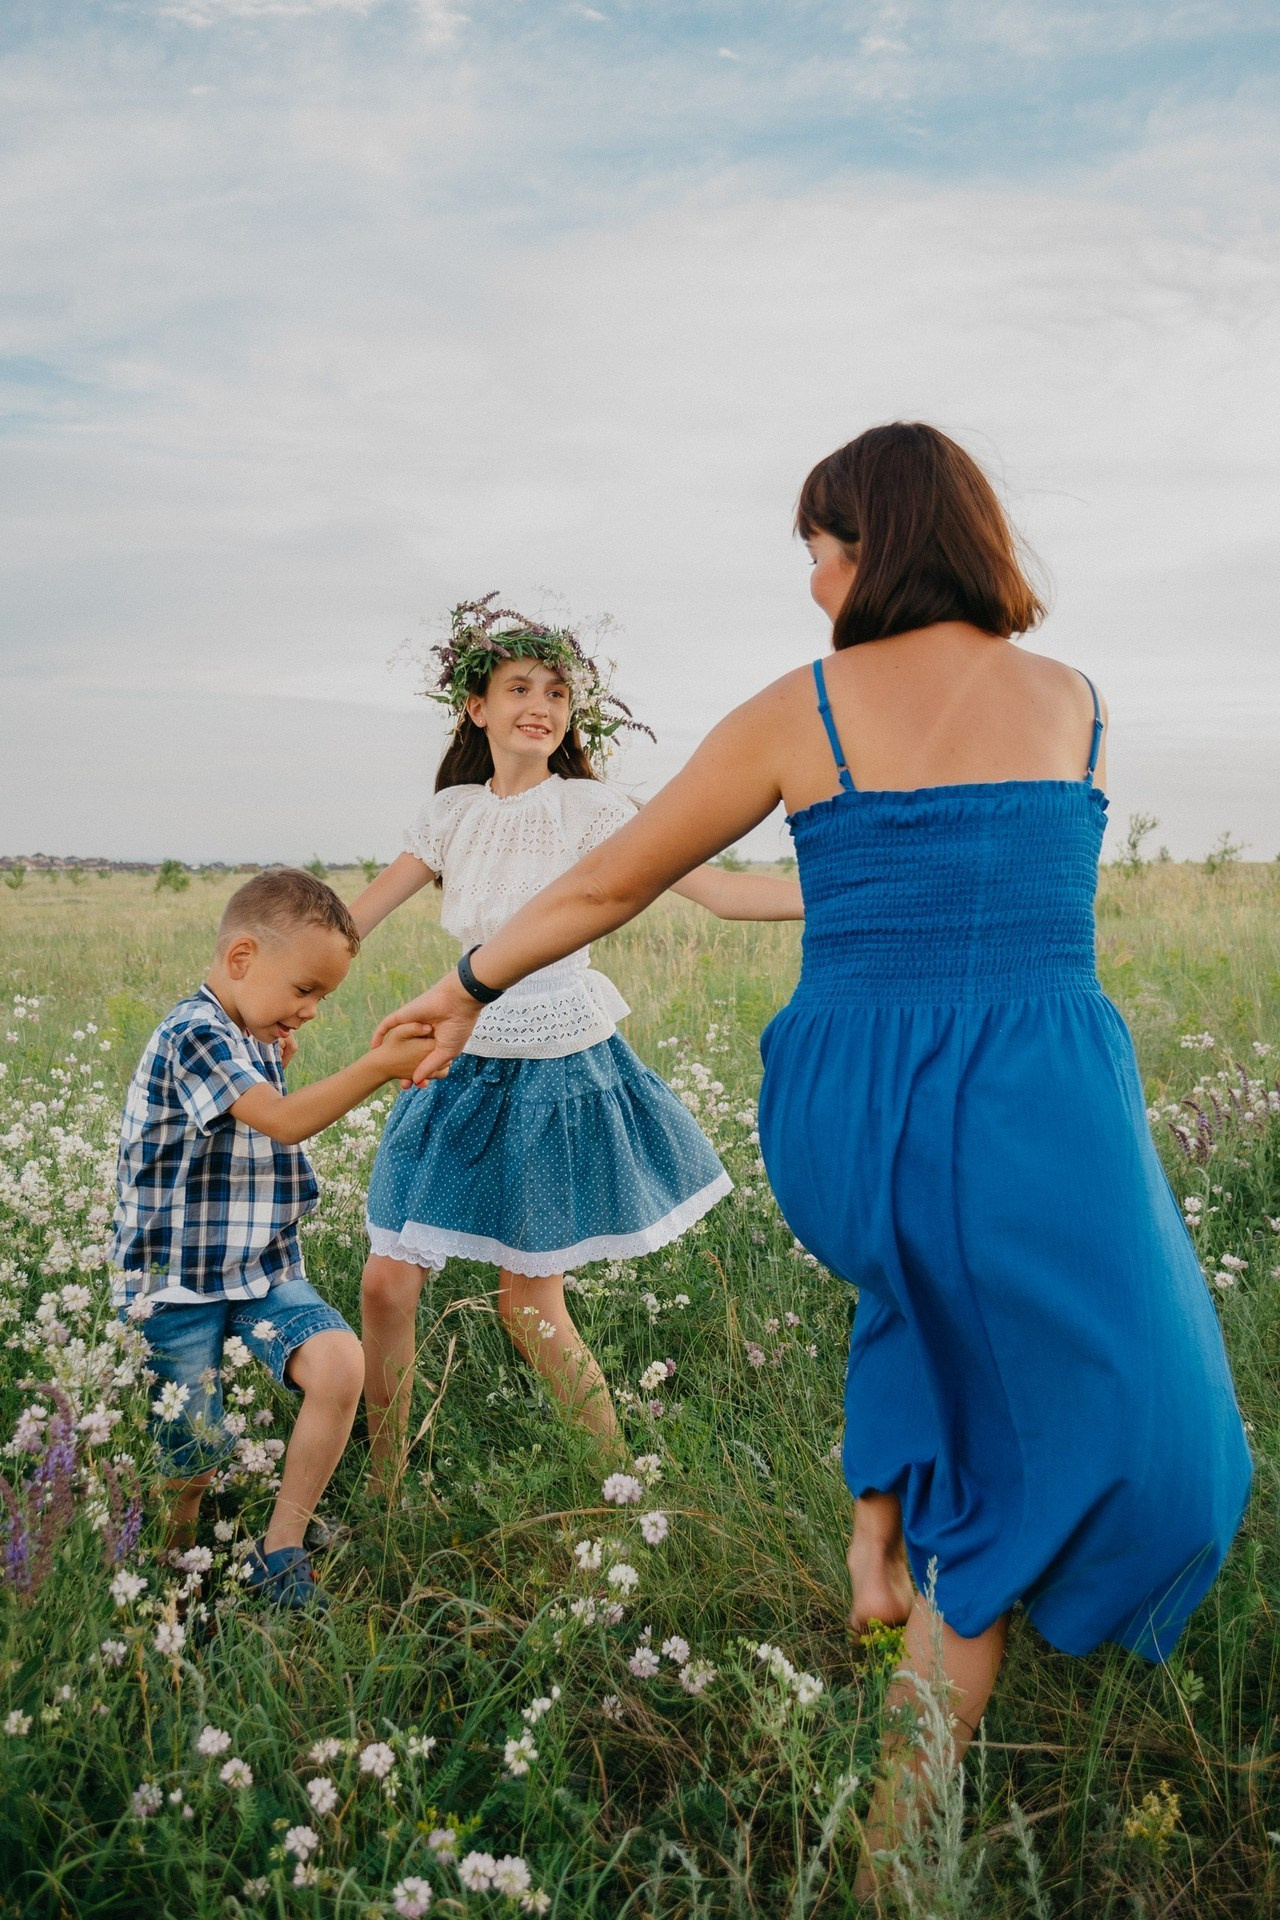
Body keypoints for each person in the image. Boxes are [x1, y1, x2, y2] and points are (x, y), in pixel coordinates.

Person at [366, 429, 1252, 1886]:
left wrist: (466, 985)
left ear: (874, 545)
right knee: (1121, 1424)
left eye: (820, 552)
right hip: (1051, 1091)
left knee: (930, 1298)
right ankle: (900, 1822)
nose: (815, 583)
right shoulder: (1074, 703)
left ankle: (880, 1554)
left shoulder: (808, 708)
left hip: (873, 1097)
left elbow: (612, 878)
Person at [350, 595, 803, 1488]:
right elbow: (348, 921)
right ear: (475, 708)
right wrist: (256, 994)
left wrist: (853, 893)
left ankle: (616, 1481)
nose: (542, 706)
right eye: (519, 687)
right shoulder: (448, 813)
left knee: (530, 1303)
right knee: (385, 1283)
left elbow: (715, 890)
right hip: (455, 1054)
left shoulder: (590, 807)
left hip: (557, 1060)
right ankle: (384, 1482)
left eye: (558, 692)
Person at [111, 867, 432, 1609]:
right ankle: (174, 1565)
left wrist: (278, 1046)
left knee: (341, 1365)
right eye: (305, 990)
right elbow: (283, 1124)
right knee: (191, 1455)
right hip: (177, 1280)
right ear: (242, 959)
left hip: (260, 1267)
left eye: (323, 997)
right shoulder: (194, 1033)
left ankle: (279, 1548)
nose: (313, 1010)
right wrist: (379, 1067)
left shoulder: (251, 1031)